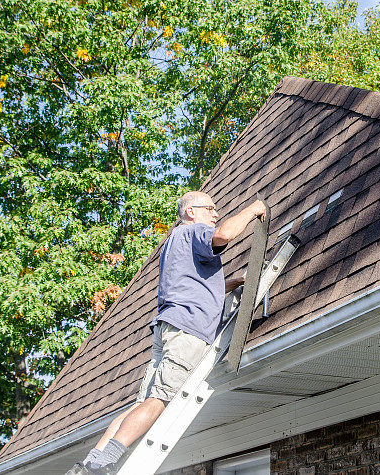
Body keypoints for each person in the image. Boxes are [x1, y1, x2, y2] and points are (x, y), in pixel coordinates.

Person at [67, 191, 266, 474]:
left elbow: (199, 290)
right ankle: (102, 466)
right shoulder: (195, 231)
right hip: (187, 329)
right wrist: (253, 209)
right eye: (210, 208)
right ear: (191, 212)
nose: (215, 213)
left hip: (170, 326)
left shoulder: (174, 244)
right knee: (160, 401)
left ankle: (88, 463)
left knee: (143, 403)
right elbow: (224, 234)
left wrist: (236, 282)